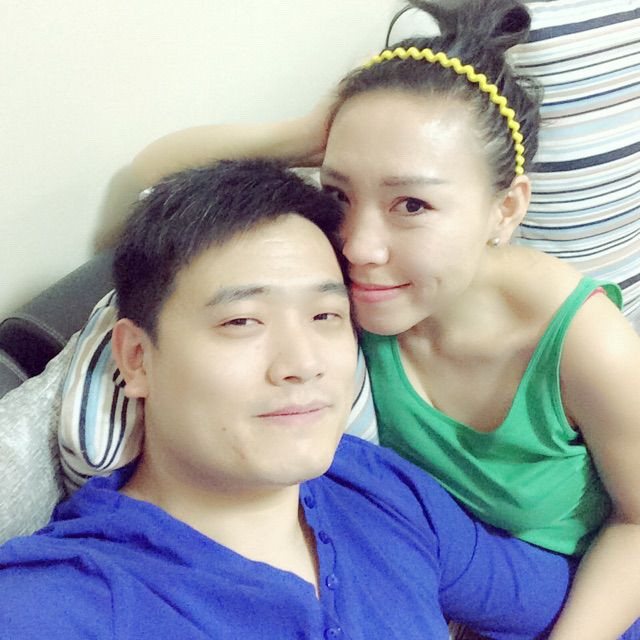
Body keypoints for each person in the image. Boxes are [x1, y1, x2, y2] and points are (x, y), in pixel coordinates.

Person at [57, 1, 640, 638]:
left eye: (411, 204)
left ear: (505, 209)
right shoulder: (335, 301)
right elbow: (153, 188)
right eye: (339, 194)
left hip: (579, 600)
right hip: (423, 575)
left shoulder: (588, 344)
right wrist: (306, 136)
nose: (359, 245)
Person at [0, 159, 583, 640]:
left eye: (326, 316)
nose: (303, 363)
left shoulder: (374, 488)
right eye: (242, 321)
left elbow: (561, 599)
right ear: (136, 358)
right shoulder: (61, 603)